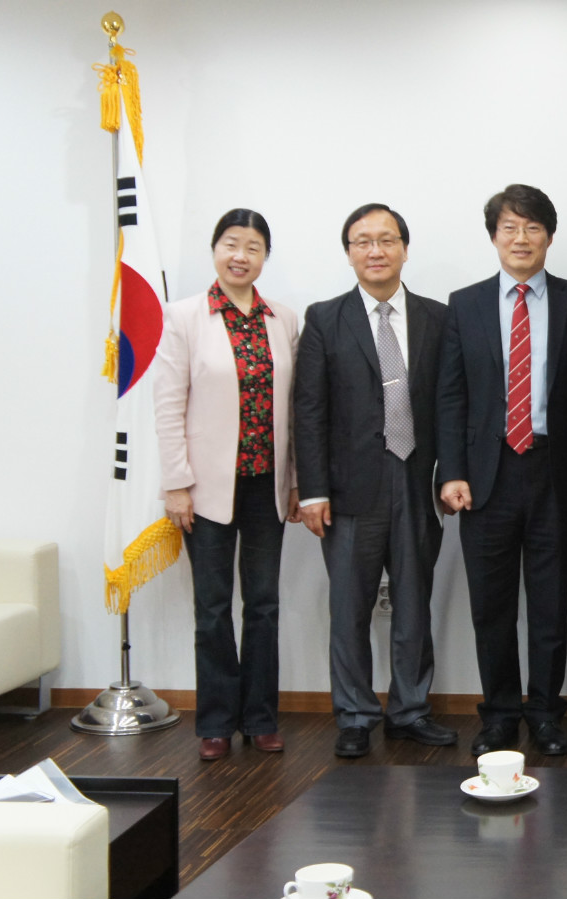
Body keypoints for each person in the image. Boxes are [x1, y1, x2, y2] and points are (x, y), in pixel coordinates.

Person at [436, 185, 567, 757]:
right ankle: (500, 714)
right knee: (492, 607)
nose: (521, 238)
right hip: (486, 476)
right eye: (510, 227)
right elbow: (451, 396)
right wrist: (451, 471)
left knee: (551, 605)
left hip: (554, 471)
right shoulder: (465, 304)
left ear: (549, 236)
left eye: (532, 227)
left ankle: (546, 714)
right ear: (493, 237)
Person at [294, 203, 457, 758]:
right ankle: (356, 714)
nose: (376, 250)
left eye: (387, 239)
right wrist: (313, 490)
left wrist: (451, 474)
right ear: (349, 254)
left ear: (405, 249)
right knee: (350, 609)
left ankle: (410, 710)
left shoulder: (438, 318)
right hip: (349, 489)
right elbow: (309, 410)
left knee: (413, 604)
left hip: (418, 481)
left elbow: (450, 404)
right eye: (362, 241)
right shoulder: (325, 318)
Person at [155, 208, 301, 761]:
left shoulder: (282, 319)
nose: (241, 256)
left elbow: (294, 409)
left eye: (253, 247)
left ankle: (261, 718)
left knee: (263, 605)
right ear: (215, 250)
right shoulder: (184, 317)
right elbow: (168, 406)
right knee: (213, 608)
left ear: (265, 257)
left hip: (266, 485)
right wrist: (176, 484)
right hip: (206, 489)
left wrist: (295, 481)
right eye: (231, 244)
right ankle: (215, 721)